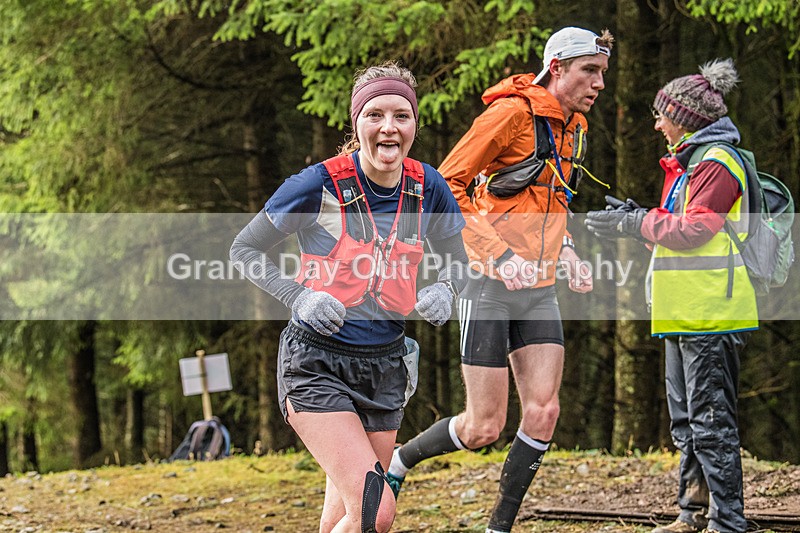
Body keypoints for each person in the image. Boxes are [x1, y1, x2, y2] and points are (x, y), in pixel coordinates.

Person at [386, 27, 613, 533]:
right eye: (590, 71)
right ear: (557, 67)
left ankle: (499, 527)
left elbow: (553, 199)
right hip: (488, 282)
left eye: (602, 73)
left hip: (539, 287)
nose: (599, 83)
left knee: (544, 412)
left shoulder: (575, 127)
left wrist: (568, 249)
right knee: (483, 427)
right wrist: (501, 254)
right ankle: (400, 460)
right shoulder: (511, 114)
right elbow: (444, 184)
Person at [230, 61, 468, 533]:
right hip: (315, 364)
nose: (388, 127)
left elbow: (461, 261)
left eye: (401, 116)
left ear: (414, 125)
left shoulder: (428, 187)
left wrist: (447, 288)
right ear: (356, 123)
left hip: (386, 367)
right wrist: (299, 297)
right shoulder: (315, 185)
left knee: (344, 516)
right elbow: (243, 249)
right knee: (376, 511)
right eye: (375, 114)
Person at [585, 58, 757, 533]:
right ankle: (692, 514)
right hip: (682, 311)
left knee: (710, 421)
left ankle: (728, 522)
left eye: (662, 115)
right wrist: (637, 219)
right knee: (686, 421)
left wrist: (636, 222)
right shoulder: (690, 164)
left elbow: (695, 231)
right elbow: (674, 231)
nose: (657, 124)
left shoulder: (717, 163)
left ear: (685, 118)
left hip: (711, 313)